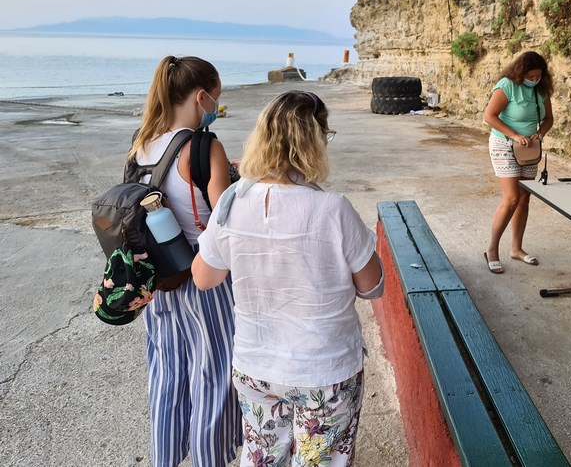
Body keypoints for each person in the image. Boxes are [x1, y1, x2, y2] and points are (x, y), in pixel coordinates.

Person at [192, 90, 384, 467]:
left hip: (256, 366)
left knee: (262, 459)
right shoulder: (333, 209)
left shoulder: (232, 201)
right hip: (324, 370)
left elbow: (204, 277)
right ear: (316, 141)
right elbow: (372, 286)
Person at [129, 55, 241, 467]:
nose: (216, 106)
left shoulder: (141, 142)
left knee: (167, 376)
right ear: (201, 96)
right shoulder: (205, 146)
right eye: (217, 98)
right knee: (212, 378)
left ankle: (166, 460)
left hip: (159, 281)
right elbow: (224, 217)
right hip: (202, 278)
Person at [482, 51, 554, 273]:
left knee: (524, 198)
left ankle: (516, 249)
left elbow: (549, 118)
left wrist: (539, 134)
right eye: (530, 75)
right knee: (512, 198)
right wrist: (514, 135)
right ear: (520, 73)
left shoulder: (541, 89)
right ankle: (492, 249)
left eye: (538, 75)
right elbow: (489, 116)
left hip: (528, 149)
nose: (534, 79)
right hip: (504, 144)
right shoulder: (507, 85)